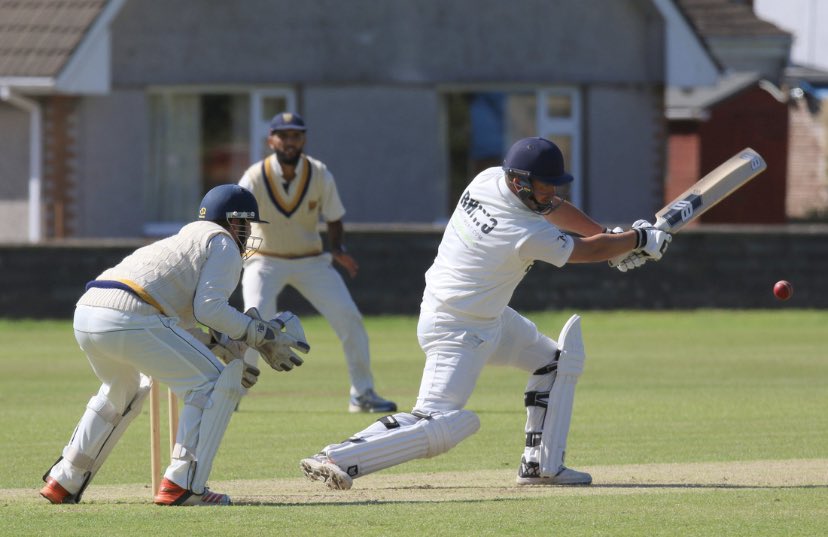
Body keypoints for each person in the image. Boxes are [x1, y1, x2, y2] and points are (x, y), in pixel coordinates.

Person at [299, 137, 671, 490]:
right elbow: (587, 252)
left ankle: (541, 466)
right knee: (439, 421)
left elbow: (559, 212)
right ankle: (337, 457)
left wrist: (610, 236)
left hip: (484, 316)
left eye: (553, 184)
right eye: (544, 186)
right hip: (457, 329)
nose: (551, 193)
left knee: (555, 364)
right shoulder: (522, 230)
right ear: (520, 182)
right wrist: (636, 240)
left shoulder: (489, 179)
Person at [39, 185, 310, 506]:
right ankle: (183, 484)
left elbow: (176, 323)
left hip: (88, 312)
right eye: (247, 224)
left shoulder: (184, 240)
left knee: (121, 390)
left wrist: (219, 344)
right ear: (233, 221)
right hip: (131, 316)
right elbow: (209, 309)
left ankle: (65, 478)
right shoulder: (223, 243)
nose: (249, 233)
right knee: (212, 385)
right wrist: (257, 333)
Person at [238, 112, 396, 413]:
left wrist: (338, 248)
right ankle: (234, 391)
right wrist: (237, 252)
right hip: (265, 260)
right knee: (252, 320)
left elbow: (334, 217)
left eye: (296, 136)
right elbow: (238, 215)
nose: (289, 142)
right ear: (271, 140)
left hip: (310, 260)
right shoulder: (255, 176)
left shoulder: (320, 173)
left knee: (349, 317)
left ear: (304, 139)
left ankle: (362, 393)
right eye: (283, 136)